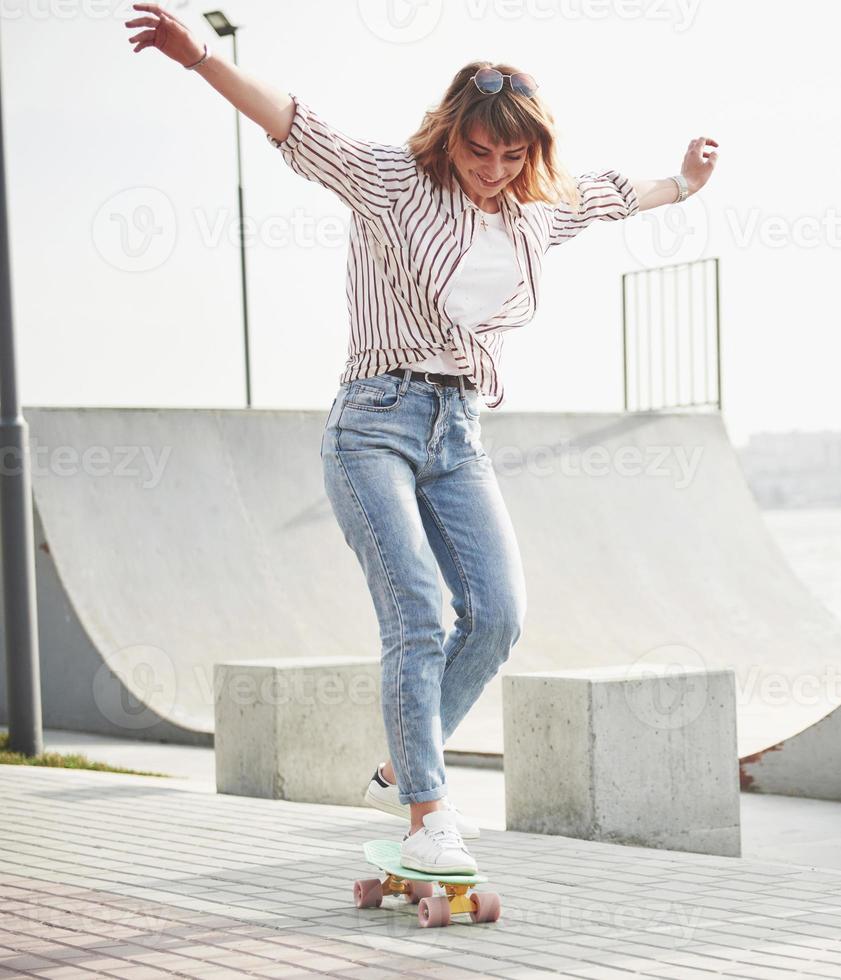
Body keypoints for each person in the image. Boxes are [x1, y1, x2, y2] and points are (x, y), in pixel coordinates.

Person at [126, 3, 718, 876]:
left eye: (512, 155)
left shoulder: (536, 207)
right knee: (418, 612)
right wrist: (199, 56)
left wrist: (687, 184)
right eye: (479, 152)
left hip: (460, 433)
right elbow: (291, 118)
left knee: (499, 617)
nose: (493, 170)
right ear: (451, 135)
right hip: (371, 425)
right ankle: (427, 813)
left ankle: (403, 763)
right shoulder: (389, 180)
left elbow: (615, 199)